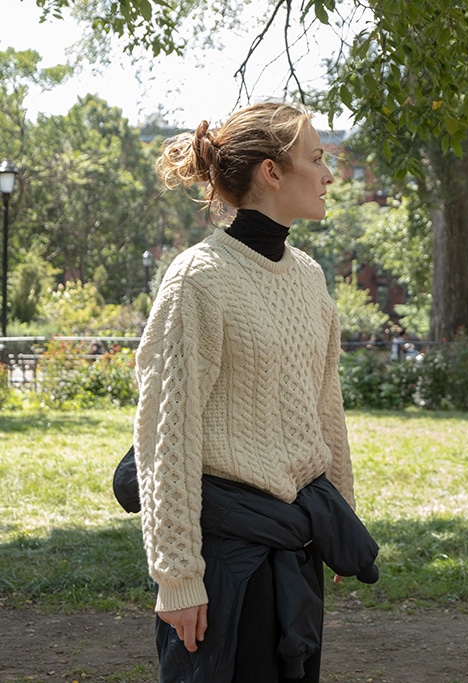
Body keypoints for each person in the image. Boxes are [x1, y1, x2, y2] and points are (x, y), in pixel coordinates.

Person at [133, 101, 378, 682]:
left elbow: (326, 406)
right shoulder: (199, 278)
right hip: (225, 560)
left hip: (298, 546)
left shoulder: (309, 276)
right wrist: (178, 576)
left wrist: (338, 517)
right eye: (316, 159)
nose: (329, 175)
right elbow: (165, 437)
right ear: (272, 172)